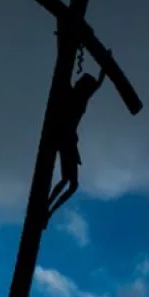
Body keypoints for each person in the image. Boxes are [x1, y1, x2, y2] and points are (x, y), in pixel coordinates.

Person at [46, 68, 106, 225]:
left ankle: (49, 209)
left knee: (71, 183)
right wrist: (104, 64)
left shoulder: (80, 95)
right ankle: (48, 208)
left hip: (68, 139)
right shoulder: (75, 95)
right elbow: (97, 83)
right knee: (70, 182)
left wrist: (105, 64)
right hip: (65, 137)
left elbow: (98, 83)